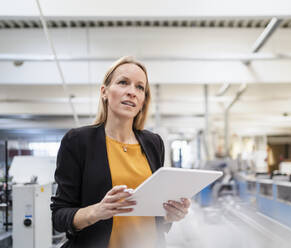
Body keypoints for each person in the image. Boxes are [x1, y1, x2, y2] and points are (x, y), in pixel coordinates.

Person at [51, 56, 191, 248]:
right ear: (104, 92)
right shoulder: (78, 141)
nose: (132, 92)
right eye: (123, 82)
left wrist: (170, 215)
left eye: (140, 87)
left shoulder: (153, 143)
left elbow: (155, 216)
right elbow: (59, 216)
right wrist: (97, 211)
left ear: (143, 100)